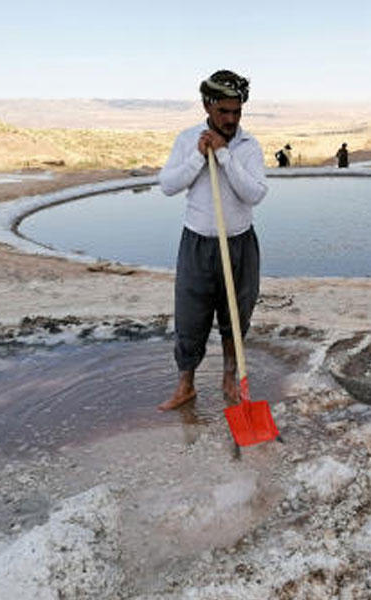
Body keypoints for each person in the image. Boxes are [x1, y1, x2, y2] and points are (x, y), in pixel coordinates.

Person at [156, 69, 267, 412]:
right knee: (191, 316)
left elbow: (255, 194)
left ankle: (230, 379)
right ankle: (185, 385)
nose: (231, 119)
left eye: (237, 112)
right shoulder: (187, 138)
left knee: (236, 316)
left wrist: (224, 156)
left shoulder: (248, 146)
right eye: (224, 112)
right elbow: (168, 185)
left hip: (238, 245)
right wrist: (198, 158)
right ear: (208, 105)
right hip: (198, 244)